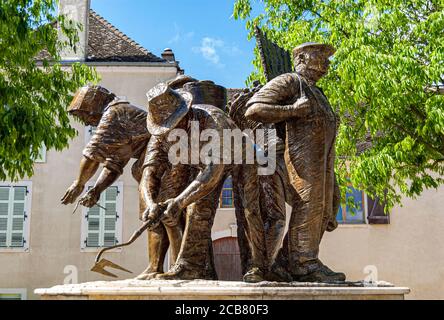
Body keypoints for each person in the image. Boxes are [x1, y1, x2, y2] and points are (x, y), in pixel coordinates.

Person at [245, 42, 344, 282]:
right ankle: (303, 264)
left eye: (327, 58)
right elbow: (254, 109)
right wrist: (292, 110)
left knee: (326, 208)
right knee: (308, 205)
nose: (327, 63)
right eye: (320, 56)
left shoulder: (317, 92)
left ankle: (288, 261)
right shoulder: (290, 81)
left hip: (322, 162)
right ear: (301, 58)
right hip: (297, 159)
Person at [60, 85, 183, 279]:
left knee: (164, 216)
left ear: (93, 105)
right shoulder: (120, 117)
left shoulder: (114, 113)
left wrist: (79, 183)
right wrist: (97, 190)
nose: (86, 121)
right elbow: (114, 163)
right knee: (156, 218)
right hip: (159, 163)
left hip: (164, 163)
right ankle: (157, 267)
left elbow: (92, 153)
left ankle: (174, 267)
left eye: (84, 114)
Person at [140, 83, 237, 280]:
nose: (170, 131)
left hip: (242, 160)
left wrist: (179, 202)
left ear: (186, 113)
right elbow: (148, 174)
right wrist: (150, 204)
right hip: (204, 168)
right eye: (167, 126)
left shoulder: (212, 121)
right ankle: (191, 267)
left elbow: (212, 174)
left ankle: (258, 266)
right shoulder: (161, 134)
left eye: (175, 123)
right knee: (196, 210)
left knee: (251, 211)